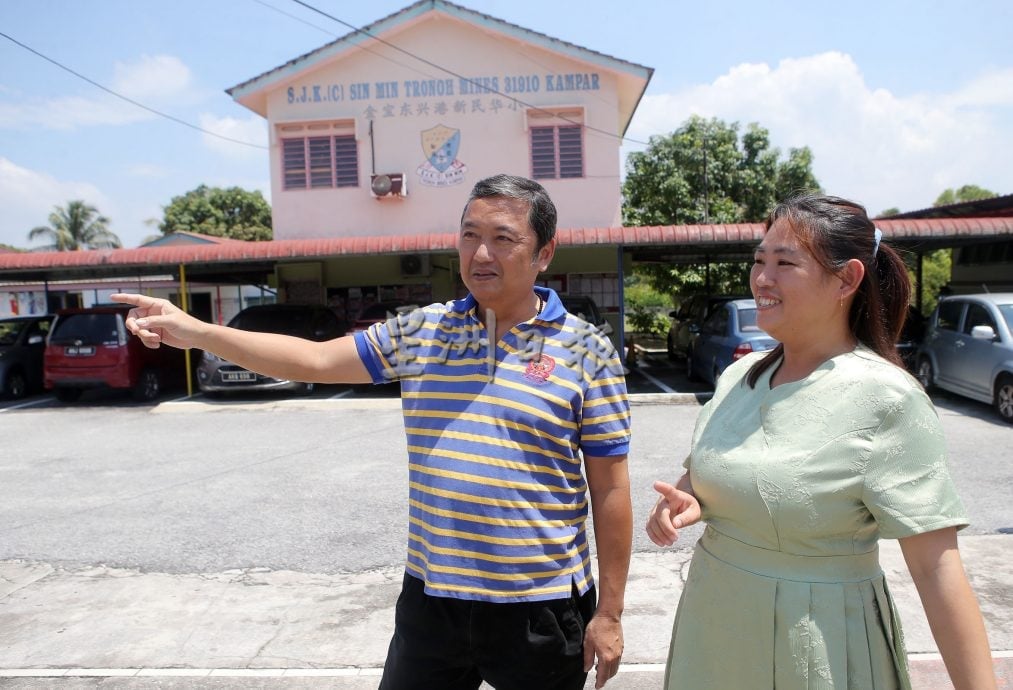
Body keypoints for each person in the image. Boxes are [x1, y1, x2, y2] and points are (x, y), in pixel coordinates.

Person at [113, 174, 633, 690]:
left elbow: (610, 488)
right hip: (433, 597)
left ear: (544, 253)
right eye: (469, 235)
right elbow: (314, 359)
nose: (480, 254)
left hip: (540, 604)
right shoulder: (422, 331)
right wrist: (197, 332)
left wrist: (609, 612)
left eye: (503, 238)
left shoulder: (587, 351)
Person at [646, 194, 996, 689]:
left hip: (815, 641)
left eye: (785, 263)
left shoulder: (886, 397)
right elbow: (710, 474)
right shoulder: (740, 376)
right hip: (713, 625)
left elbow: (936, 571)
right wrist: (687, 500)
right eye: (759, 261)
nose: (762, 279)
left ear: (847, 280)